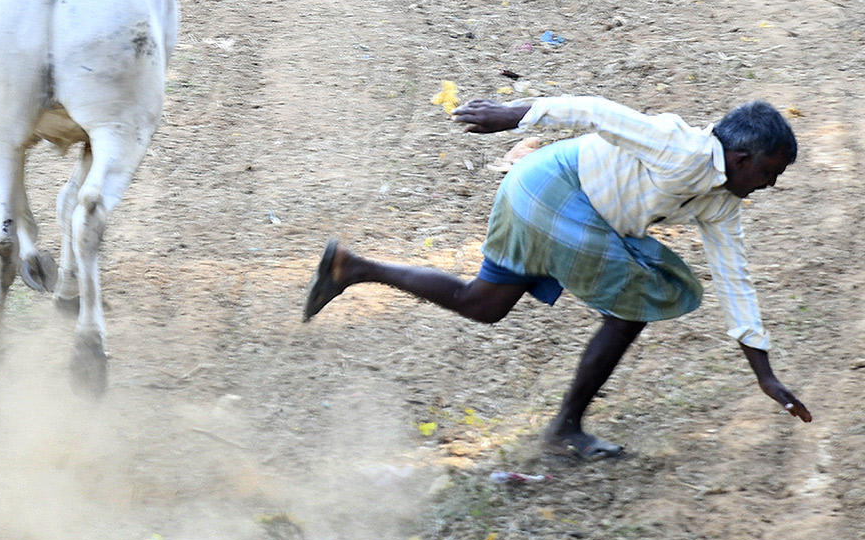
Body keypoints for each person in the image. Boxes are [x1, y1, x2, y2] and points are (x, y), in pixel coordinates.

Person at [304, 95, 812, 460]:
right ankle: (566, 428)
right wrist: (516, 115)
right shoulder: (681, 147)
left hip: (539, 190)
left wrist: (763, 372)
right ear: (742, 159)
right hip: (557, 188)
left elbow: (733, 276)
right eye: (773, 171)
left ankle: (353, 267)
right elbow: (596, 111)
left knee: (483, 304)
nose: (772, 183)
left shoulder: (724, 202)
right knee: (636, 303)